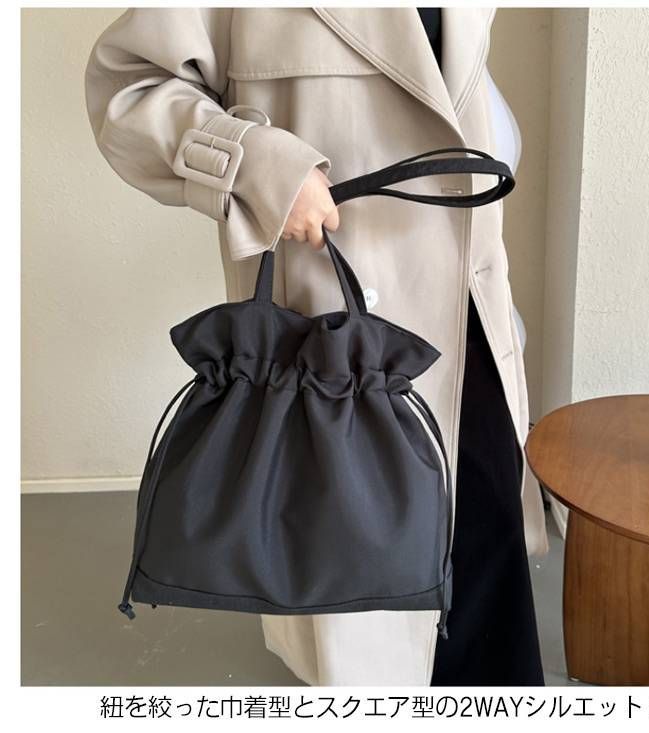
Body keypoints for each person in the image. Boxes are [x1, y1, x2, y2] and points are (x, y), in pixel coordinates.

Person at [85, 7, 549, 686]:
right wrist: (259, 165)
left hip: (468, 314)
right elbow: (127, 87)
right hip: (335, 342)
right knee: (363, 591)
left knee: (482, 551)